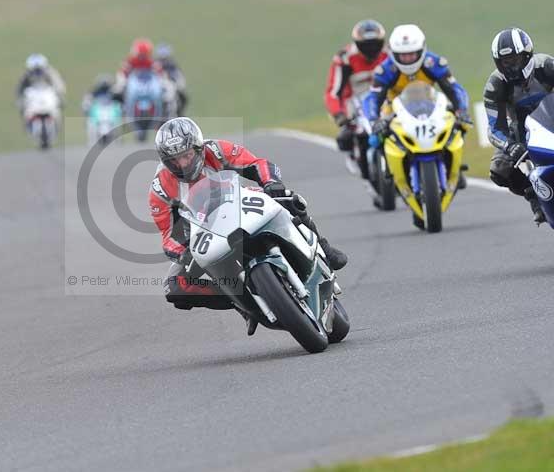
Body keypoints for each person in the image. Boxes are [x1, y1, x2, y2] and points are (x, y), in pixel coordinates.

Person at [149, 117, 348, 335]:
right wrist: (183, 253)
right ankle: (240, 303)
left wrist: (271, 183)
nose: (183, 164)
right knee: (175, 287)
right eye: (175, 160)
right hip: (204, 234)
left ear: (198, 148)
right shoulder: (160, 188)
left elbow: (256, 164)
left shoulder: (215, 150)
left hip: (240, 204)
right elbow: (167, 235)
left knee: (291, 199)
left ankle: (324, 247)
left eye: (186, 156)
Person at [485, 27, 554, 224]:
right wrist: (509, 145)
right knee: (499, 170)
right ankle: (534, 195)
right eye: (505, 62)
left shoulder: (547, 66)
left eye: (514, 60)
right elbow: (495, 127)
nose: (511, 67)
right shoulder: (495, 85)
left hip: (552, 120)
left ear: (527, 55)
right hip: (521, 131)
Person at [364, 24, 472, 136]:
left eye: (411, 54)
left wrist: (461, 110)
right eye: (403, 56)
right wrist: (374, 119)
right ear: (394, 54)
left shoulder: (433, 63)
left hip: (430, 109)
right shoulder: (386, 70)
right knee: (374, 139)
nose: (407, 59)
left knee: (459, 129)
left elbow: (454, 88)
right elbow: (373, 97)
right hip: (394, 113)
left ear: (421, 50)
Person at [324, 19, 388, 152]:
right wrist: (339, 115)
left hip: (385, 100)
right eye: (366, 45)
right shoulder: (345, 58)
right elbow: (333, 92)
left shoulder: (390, 54)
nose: (371, 49)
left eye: (375, 44)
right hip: (355, 106)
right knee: (346, 139)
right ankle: (360, 158)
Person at [112, 38, 176, 115]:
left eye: (144, 54)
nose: (142, 57)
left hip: (149, 87)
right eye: (140, 54)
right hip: (135, 88)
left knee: (169, 89)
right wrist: (122, 82)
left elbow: (160, 72)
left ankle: (170, 111)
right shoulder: (131, 61)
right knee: (118, 90)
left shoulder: (151, 62)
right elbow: (123, 72)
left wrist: (164, 81)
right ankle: (121, 109)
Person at [155, 43, 189, 115]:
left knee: (182, 98)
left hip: (171, 86)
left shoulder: (172, 65)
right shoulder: (155, 65)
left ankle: (179, 114)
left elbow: (178, 78)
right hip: (159, 88)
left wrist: (178, 86)